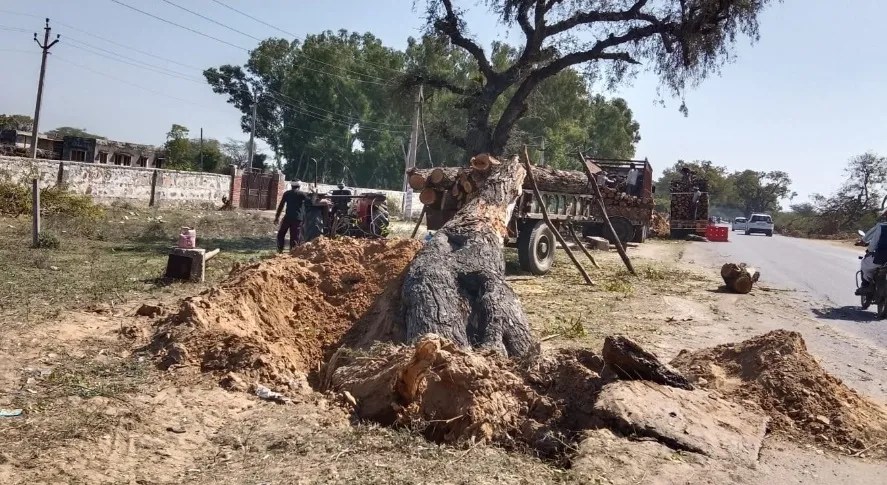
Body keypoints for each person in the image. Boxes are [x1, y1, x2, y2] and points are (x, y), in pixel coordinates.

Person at [274, 181, 309, 252]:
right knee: (295, 237)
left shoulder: (287, 193)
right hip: (297, 219)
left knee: (281, 234)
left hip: (287, 218)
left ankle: (280, 249)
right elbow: (309, 203)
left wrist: (277, 217)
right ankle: (293, 252)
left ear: (291, 186)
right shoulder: (302, 194)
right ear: (299, 186)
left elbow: (281, 206)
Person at [855, 218, 887, 295]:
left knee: (864, 264)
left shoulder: (882, 226)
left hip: (881, 258)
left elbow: (872, 245)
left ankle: (866, 286)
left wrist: (869, 250)